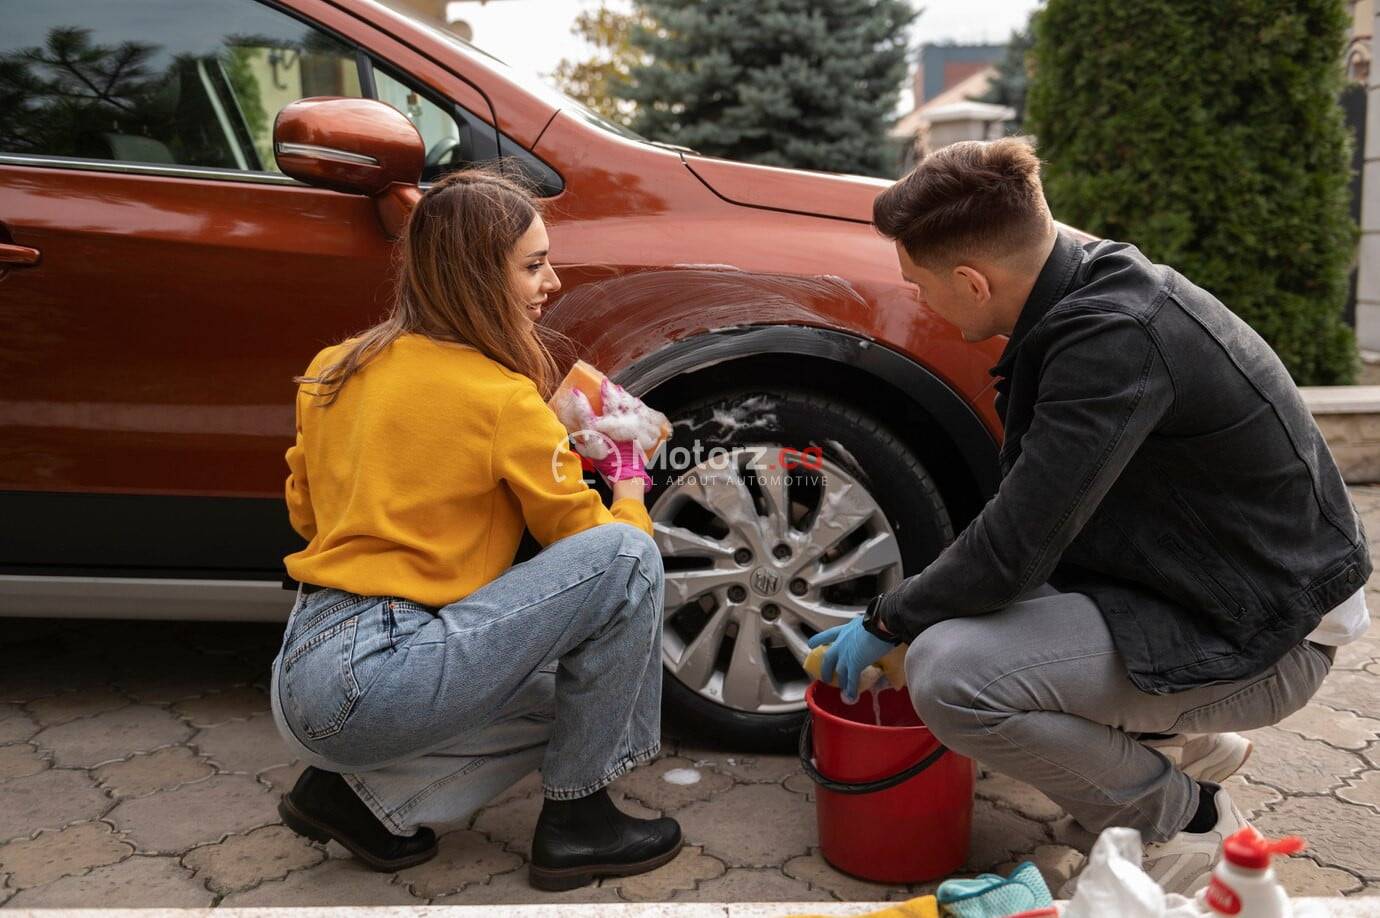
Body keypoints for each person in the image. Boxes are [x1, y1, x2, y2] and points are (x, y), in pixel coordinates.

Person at [809, 138, 1370, 896]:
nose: (916, 301)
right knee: (961, 623)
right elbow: (1024, 527)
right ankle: (1181, 744)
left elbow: (1013, 550)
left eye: (919, 286)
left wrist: (886, 619)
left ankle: (1184, 817)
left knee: (953, 675)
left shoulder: (1115, 338)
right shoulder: (1086, 290)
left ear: (973, 282)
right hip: (1211, 590)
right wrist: (914, 614)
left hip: (1271, 636)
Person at [267, 167, 681, 892]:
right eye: (533, 265)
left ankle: (355, 800)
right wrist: (626, 475)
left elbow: (308, 514)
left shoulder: (333, 367)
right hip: (380, 673)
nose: (551, 281)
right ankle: (579, 821)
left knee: (579, 692)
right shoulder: (500, 397)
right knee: (624, 558)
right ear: (475, 274)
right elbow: (609, 558)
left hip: (304, 668)